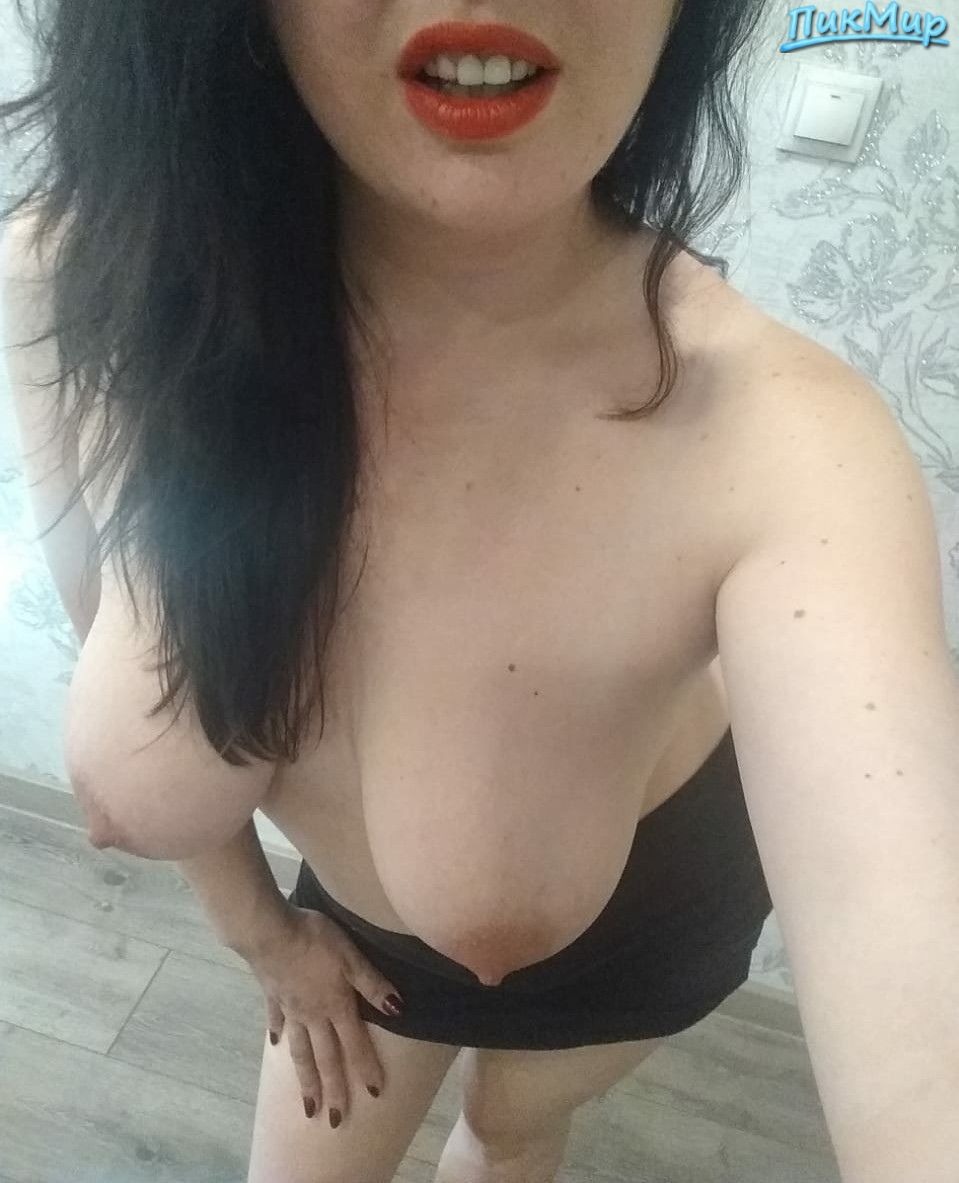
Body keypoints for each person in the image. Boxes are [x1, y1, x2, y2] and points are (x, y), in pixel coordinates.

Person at [8, 4, 958, 1183]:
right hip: (363, 939)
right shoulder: (73, 284)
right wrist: (265, 936)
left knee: (503, 1134)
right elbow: (120, 630)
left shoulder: (779, 437)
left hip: (646, 922)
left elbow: (911, 960)